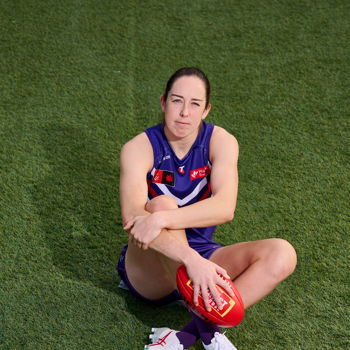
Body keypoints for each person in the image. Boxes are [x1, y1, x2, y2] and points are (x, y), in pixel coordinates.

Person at [117, 67, 297, 350]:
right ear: (163, 102)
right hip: (151, 268)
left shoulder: (221, 141)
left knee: (282, 253)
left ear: (206, 110)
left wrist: (169, 225)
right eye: (177, 101)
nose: (184, 112)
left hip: (203, 255)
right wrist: (190, 259)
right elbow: (133, 218)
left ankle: (184, 336)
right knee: (162, 201)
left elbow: (225, 208)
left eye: (195, 104)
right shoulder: (138, 148)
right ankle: (211, 335)